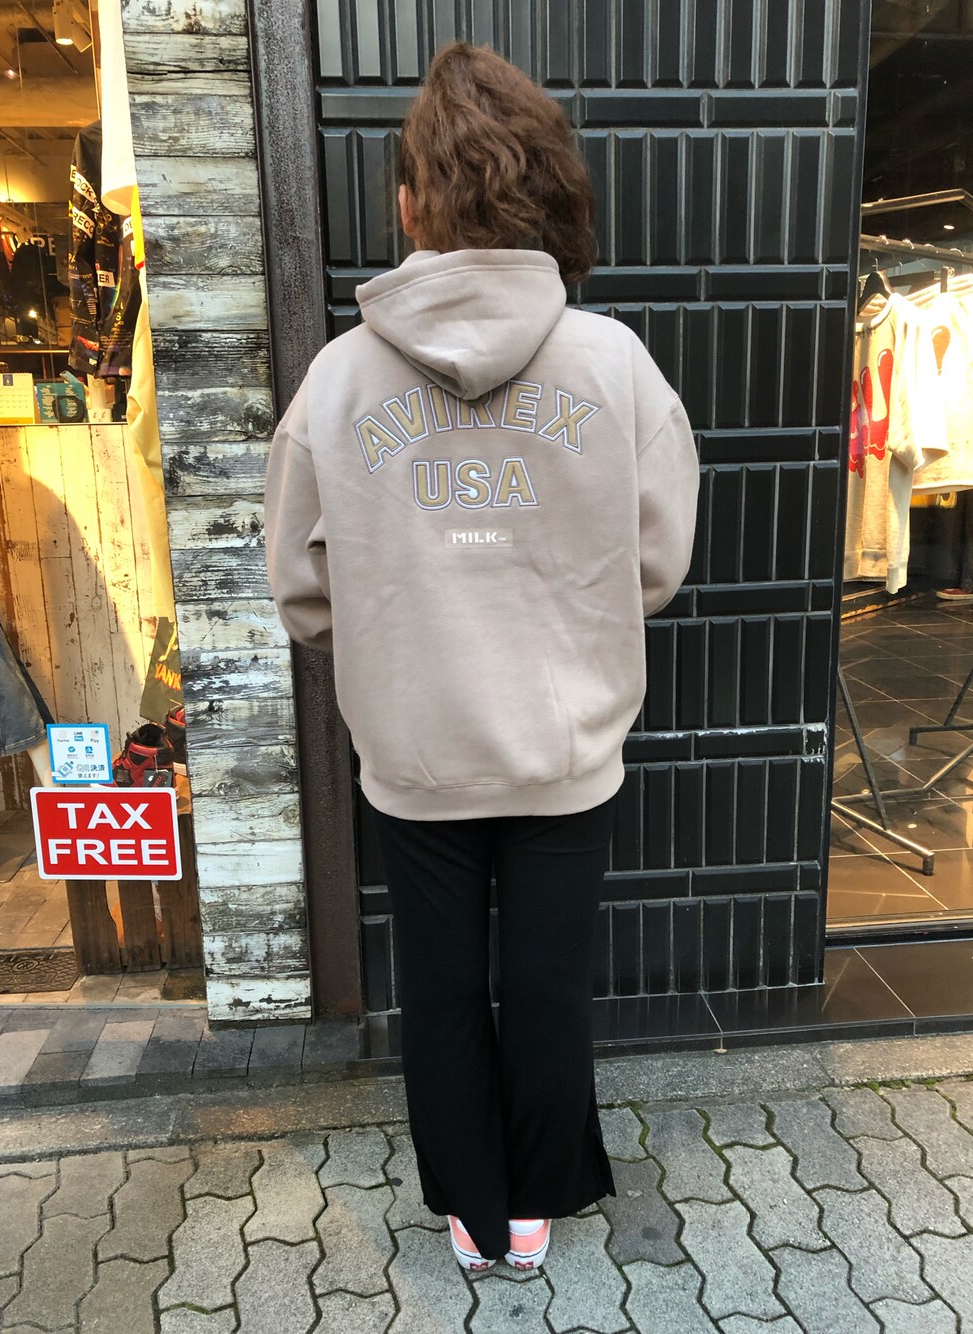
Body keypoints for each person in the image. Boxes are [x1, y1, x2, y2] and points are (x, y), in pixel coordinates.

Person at [265, 41, 700, 1272]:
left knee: (442, 985)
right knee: (549, 983)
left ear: (410, 203)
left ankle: (472, 1209)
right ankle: (537, 1200)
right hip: (565, 748)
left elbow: (301, 586)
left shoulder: (339, 380)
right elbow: (656, 560)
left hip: (417, 754)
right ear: (548, 195)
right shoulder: (612, 366)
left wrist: (396, 643)